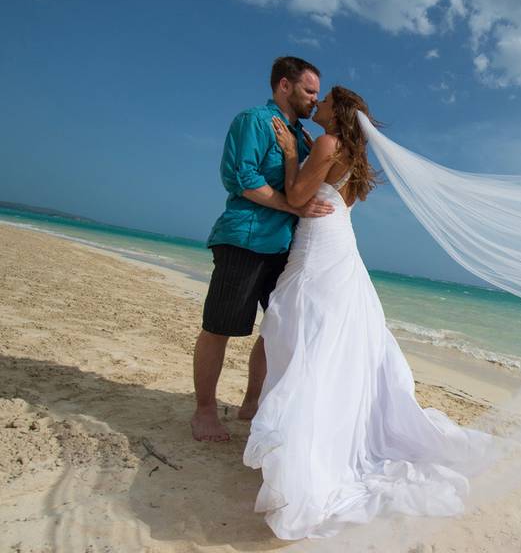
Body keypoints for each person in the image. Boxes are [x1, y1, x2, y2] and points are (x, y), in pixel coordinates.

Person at [243, 86, 491, 539]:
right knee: (323, 332)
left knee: (305, 330)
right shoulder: (355, 159)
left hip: (319, 242)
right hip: (340, 242)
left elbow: (298, 198)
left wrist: (287, 153)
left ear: (337, 112)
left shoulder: (326, 143)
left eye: (323, 101)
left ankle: (303, 439)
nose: (315, 105)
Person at [192, 56, 334, 442]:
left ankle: (251, 403)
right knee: (219, 327)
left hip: (286, 247)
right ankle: (204, 410)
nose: (314, 100)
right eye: (309, 91)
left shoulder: (303, 137)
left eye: (318, 94)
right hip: (245, 238)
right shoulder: (253, 121)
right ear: (284, 86)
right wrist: (294, 206)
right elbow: (242, 179)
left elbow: (302, 185)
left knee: (278, 329)